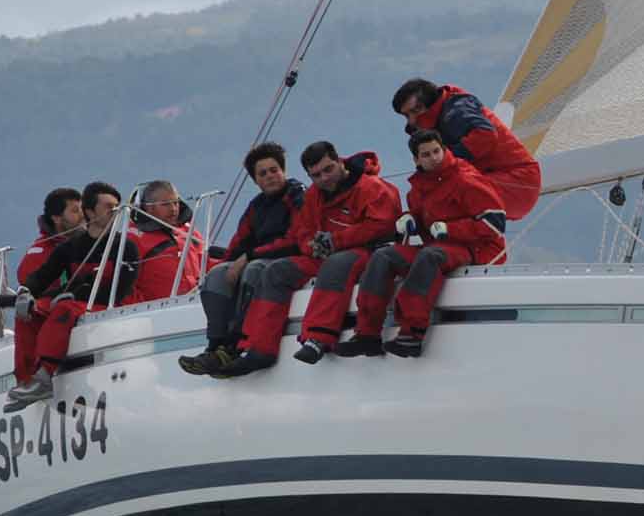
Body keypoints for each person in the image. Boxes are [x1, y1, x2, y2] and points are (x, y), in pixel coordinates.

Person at [218, 142, 402, 377]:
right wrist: (312, 246)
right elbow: (302, 231)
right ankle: (259, 348)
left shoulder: (372, 187)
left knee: (336, 265)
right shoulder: (314, 195)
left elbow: (381, 226)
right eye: (316, 175)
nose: (324, 178)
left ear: (340, 162)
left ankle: (319, 337)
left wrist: (336, 240)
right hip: (328, 252)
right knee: (276, 271)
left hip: (367, 250)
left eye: (328, 169)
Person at [343, 129, 507, 359]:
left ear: (444, 150)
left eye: (437, 151)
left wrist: (450, 229)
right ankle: (367, 334)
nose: (434, 158)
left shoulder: (466, 179)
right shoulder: (419, 188)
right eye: (426, 154)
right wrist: (409, 218)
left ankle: (412, 334)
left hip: (478, 249)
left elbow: (495, 223)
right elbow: (423, 219)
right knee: (383, 256)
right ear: (416, 160)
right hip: (440, 248)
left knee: (430, 255)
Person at [6, 181, 140, 409]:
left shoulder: (126, 247)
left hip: (109, 306)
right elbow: (42, 276)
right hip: (79, 304)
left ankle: (45, 375)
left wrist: (73, 294)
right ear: (90, 211)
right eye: (109, 206)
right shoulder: (71, 247)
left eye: (117, 206)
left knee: (64, 309)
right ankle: (26, 381)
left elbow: (120, 291)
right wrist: (25, 293)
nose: (116, 211)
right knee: (29, 313)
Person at [180, 143, 306, 375]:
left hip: (288, 258)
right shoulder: (256, 206)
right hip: (260, 257)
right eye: (263, 173)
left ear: (283, 171)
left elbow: (296, 240)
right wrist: (227, 265)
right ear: (256, 181)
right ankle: (215, 347)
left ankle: (236, 345)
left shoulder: (298, 196)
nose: (270, 176)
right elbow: (240, 241)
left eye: (274, 170)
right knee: (217, 275)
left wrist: (249, 256)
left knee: (254, 269)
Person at [392, 77, 541, 220]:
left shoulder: (457, 110)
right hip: (495, 181)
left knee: (443, 199)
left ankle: (466, 237)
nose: (411, 120)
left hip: (517, 181)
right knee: (421, 195)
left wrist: (444, 161)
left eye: (416, 110)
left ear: (432, 102)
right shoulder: (438, 120)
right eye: (406, 115)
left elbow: (485, 135)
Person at [13, 186, 83, 385]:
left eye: (82, 209)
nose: (82, 215)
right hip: (60, 317)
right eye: (75, 211)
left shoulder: (91, 243)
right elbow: (34, 295)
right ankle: (29, 380)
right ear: (57, 218)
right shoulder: (39, 255)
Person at [127, 180, 207, 304]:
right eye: (165, 204)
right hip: (155, 310)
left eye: (176, 202)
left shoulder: (189, 231)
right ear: (148, 208)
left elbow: (205, 264)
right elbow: (123, 286)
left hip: (195, 304)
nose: (173, 209)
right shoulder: (133, 238)